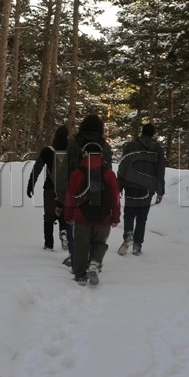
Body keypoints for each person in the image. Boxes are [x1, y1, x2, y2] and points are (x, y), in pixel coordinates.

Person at [63, 114, 120, 286]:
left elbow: (65, 173)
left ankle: (80, 273)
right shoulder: (105, 148)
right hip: (102, 206)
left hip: (80, 202)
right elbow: (114, 193)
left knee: (80, 241)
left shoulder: (74, 144)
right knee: (100, 241)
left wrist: (64, 205)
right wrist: (115, 215)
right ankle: (95, 262)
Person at [116, 122, 166, 256]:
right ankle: (137, 245)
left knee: (129, 214)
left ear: (142, 132)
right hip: (147, 187)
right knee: (142, 217)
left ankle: (128, 235)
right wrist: (160, 190)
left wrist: (119, 185)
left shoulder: (131, 145)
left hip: (130, 184)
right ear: (153, 134)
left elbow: (123, 166)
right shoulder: (157, 148)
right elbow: (160, 170)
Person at [26, 126, 71, 252]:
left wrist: (31, 185)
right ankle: (64, 232)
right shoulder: (71, 151)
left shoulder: (47, 151)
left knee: (49, 217)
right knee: (64, 214)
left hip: (50, 188)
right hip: (67, 190)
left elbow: (37, 169)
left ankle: (48, 244)